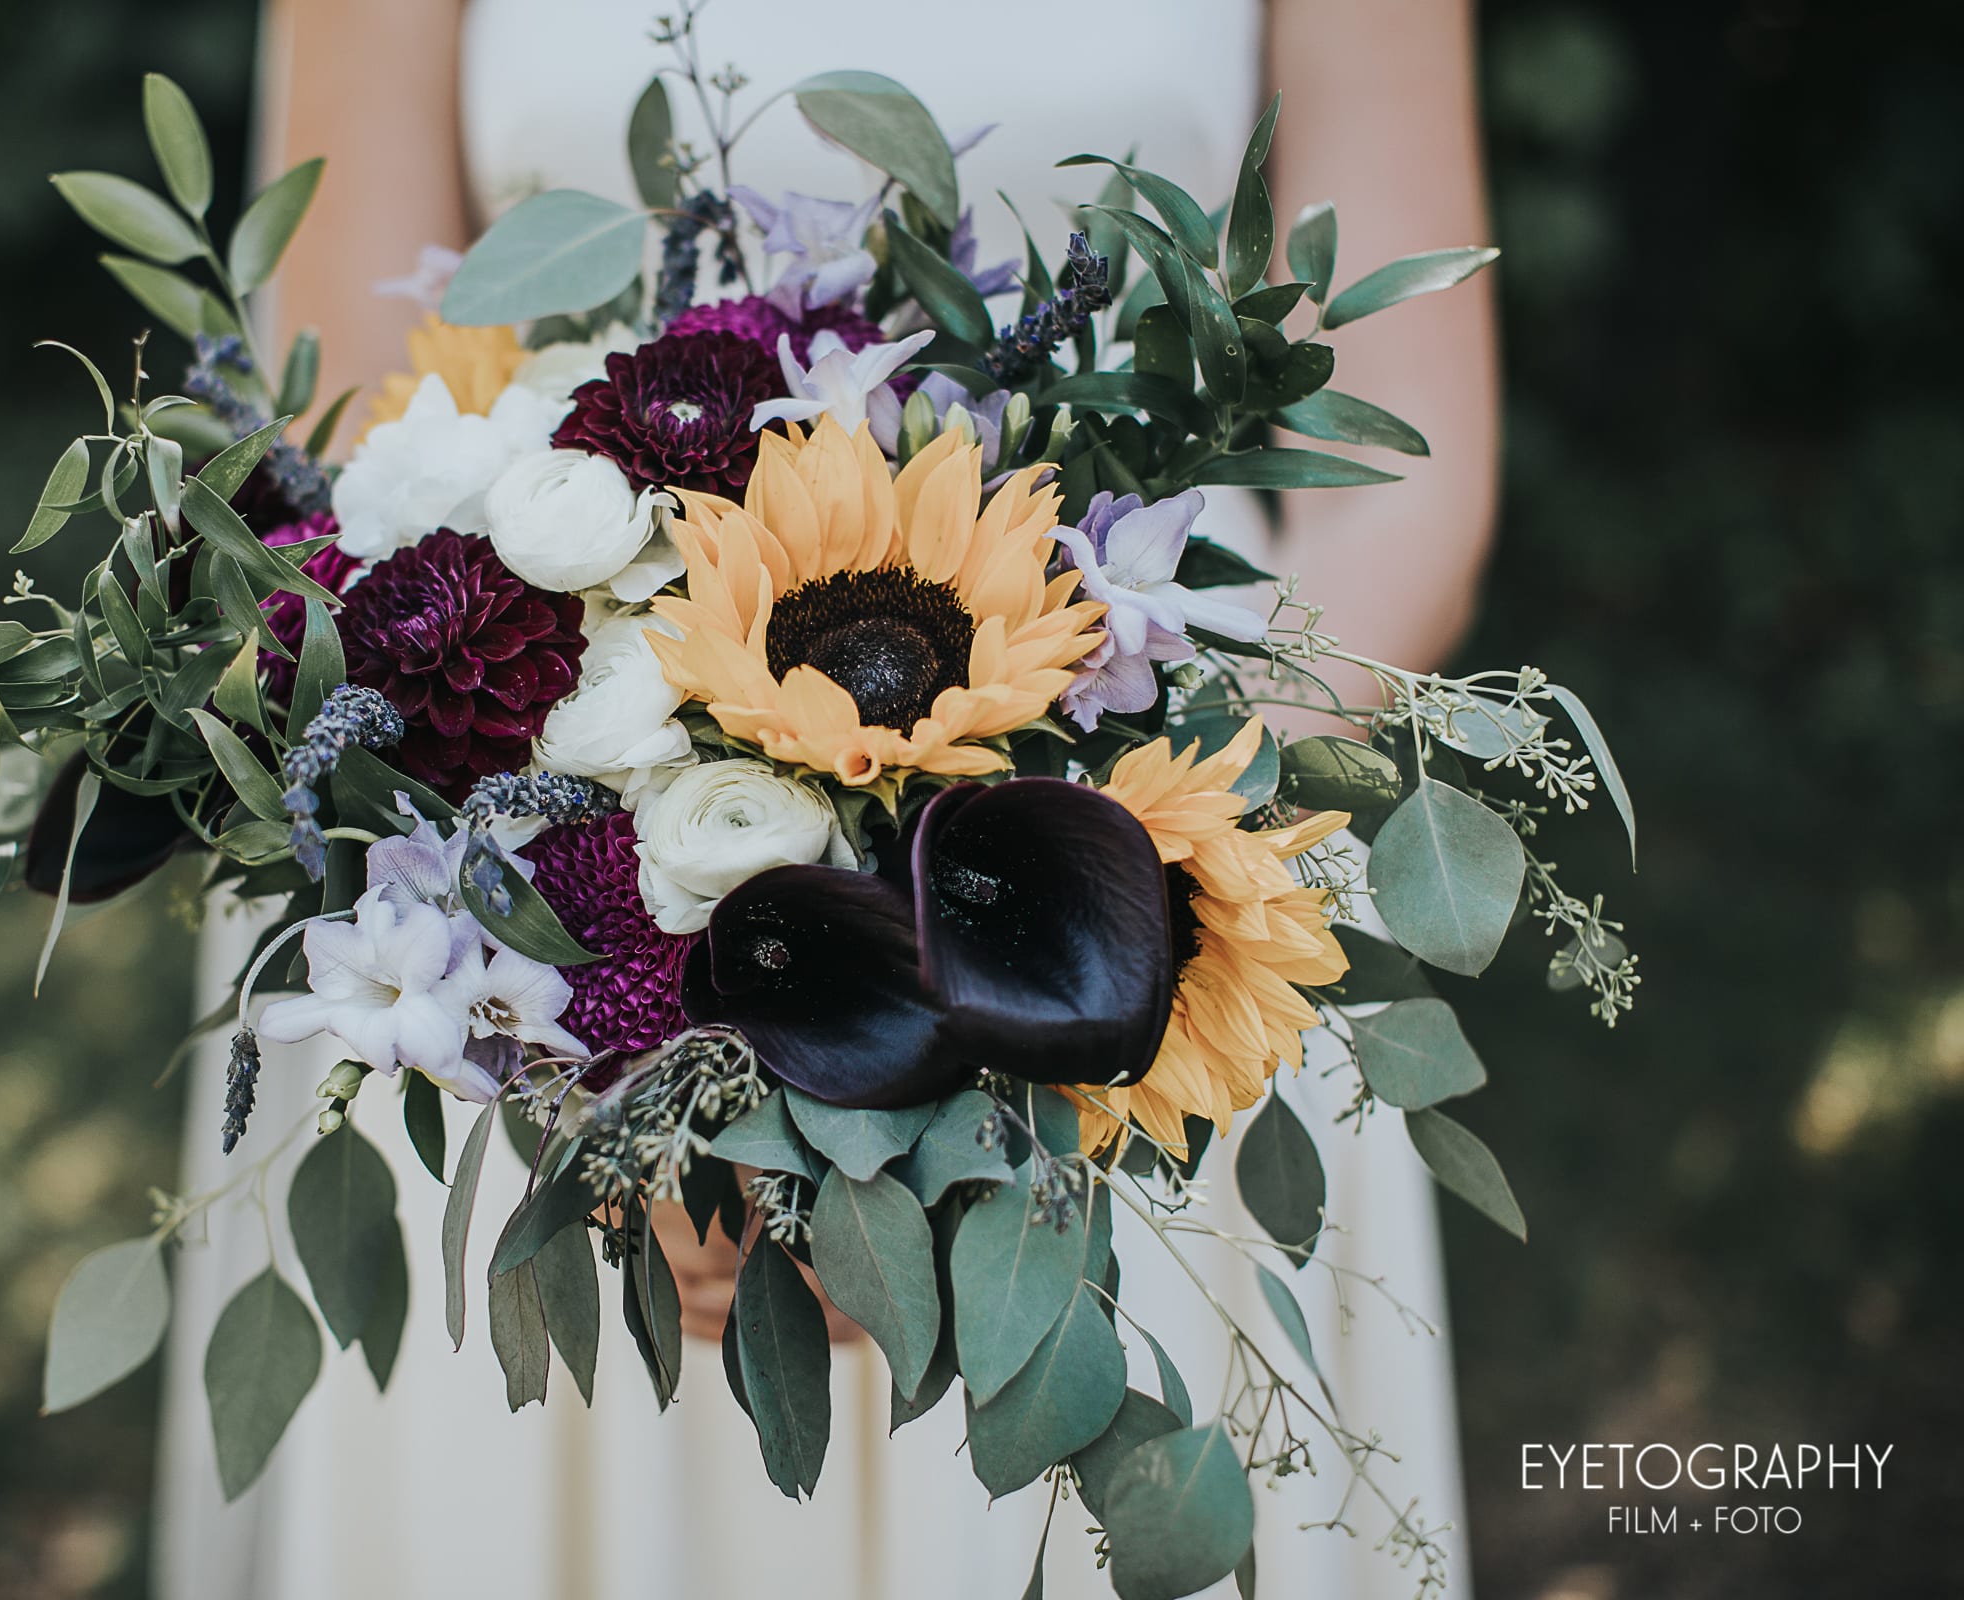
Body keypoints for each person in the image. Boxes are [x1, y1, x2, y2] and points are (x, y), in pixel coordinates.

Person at [156, 3, 1497, 1596]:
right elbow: (356, 426)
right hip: (547, 892)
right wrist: (603, 1037)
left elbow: (1407, 478)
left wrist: (1077, 931)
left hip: (1139, 854)